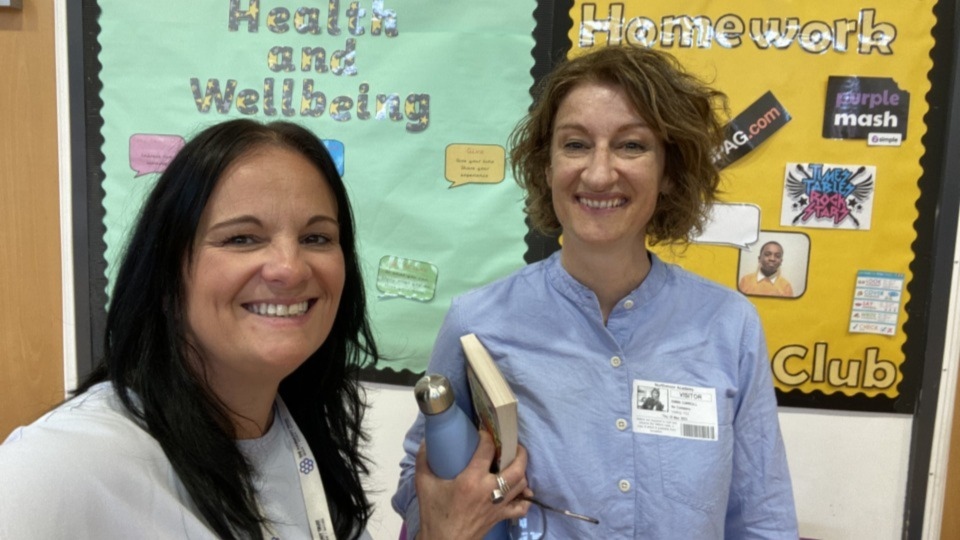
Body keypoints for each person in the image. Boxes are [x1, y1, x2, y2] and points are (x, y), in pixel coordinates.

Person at [0, 119, 527, 540]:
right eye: (242, 239)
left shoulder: (291, 432)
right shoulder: (60, 464)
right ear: (166, 273)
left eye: (317, 238)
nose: (290, 268)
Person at [393, 46, 798, 538]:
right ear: (546, 167)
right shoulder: (478, 322)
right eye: (576, 145)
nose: (600, 173)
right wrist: (463, 512)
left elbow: (761, 516)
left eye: (631, 146)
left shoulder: (728, 326)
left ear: (669, 172)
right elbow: (420, 489)